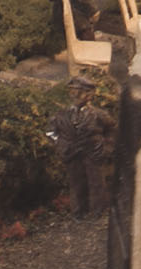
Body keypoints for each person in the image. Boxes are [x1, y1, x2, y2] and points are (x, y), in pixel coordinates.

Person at [48, 75, 115, 216]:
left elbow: (112, 130)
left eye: (79, 93)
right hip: (71, 154)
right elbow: (50, 132)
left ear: (89, 95)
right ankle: (78, 211)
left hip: (93, 153)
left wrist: (106, 147)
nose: (75, 96)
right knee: (76, 182)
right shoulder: (61, 114)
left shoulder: (98, 115)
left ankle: (99, 210)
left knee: (96, 182)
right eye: (73, 92)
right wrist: (59, 144)